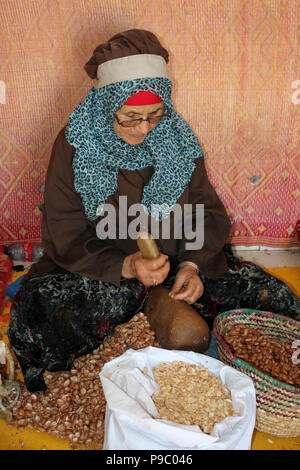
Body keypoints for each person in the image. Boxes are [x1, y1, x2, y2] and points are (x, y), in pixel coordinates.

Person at [8, 29, 300, 394]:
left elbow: (205, 212)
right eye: (130, 117)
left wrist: (193, 265)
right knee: (42, 314)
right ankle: (146, 307)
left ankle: (162, 302)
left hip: (176, 260)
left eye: (154, 115)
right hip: (102, 271)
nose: (144, 128)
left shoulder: (176, 137)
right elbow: (63, 226)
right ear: (105, 106)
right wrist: (127, 266)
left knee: (275, 301)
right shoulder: (75, 143)